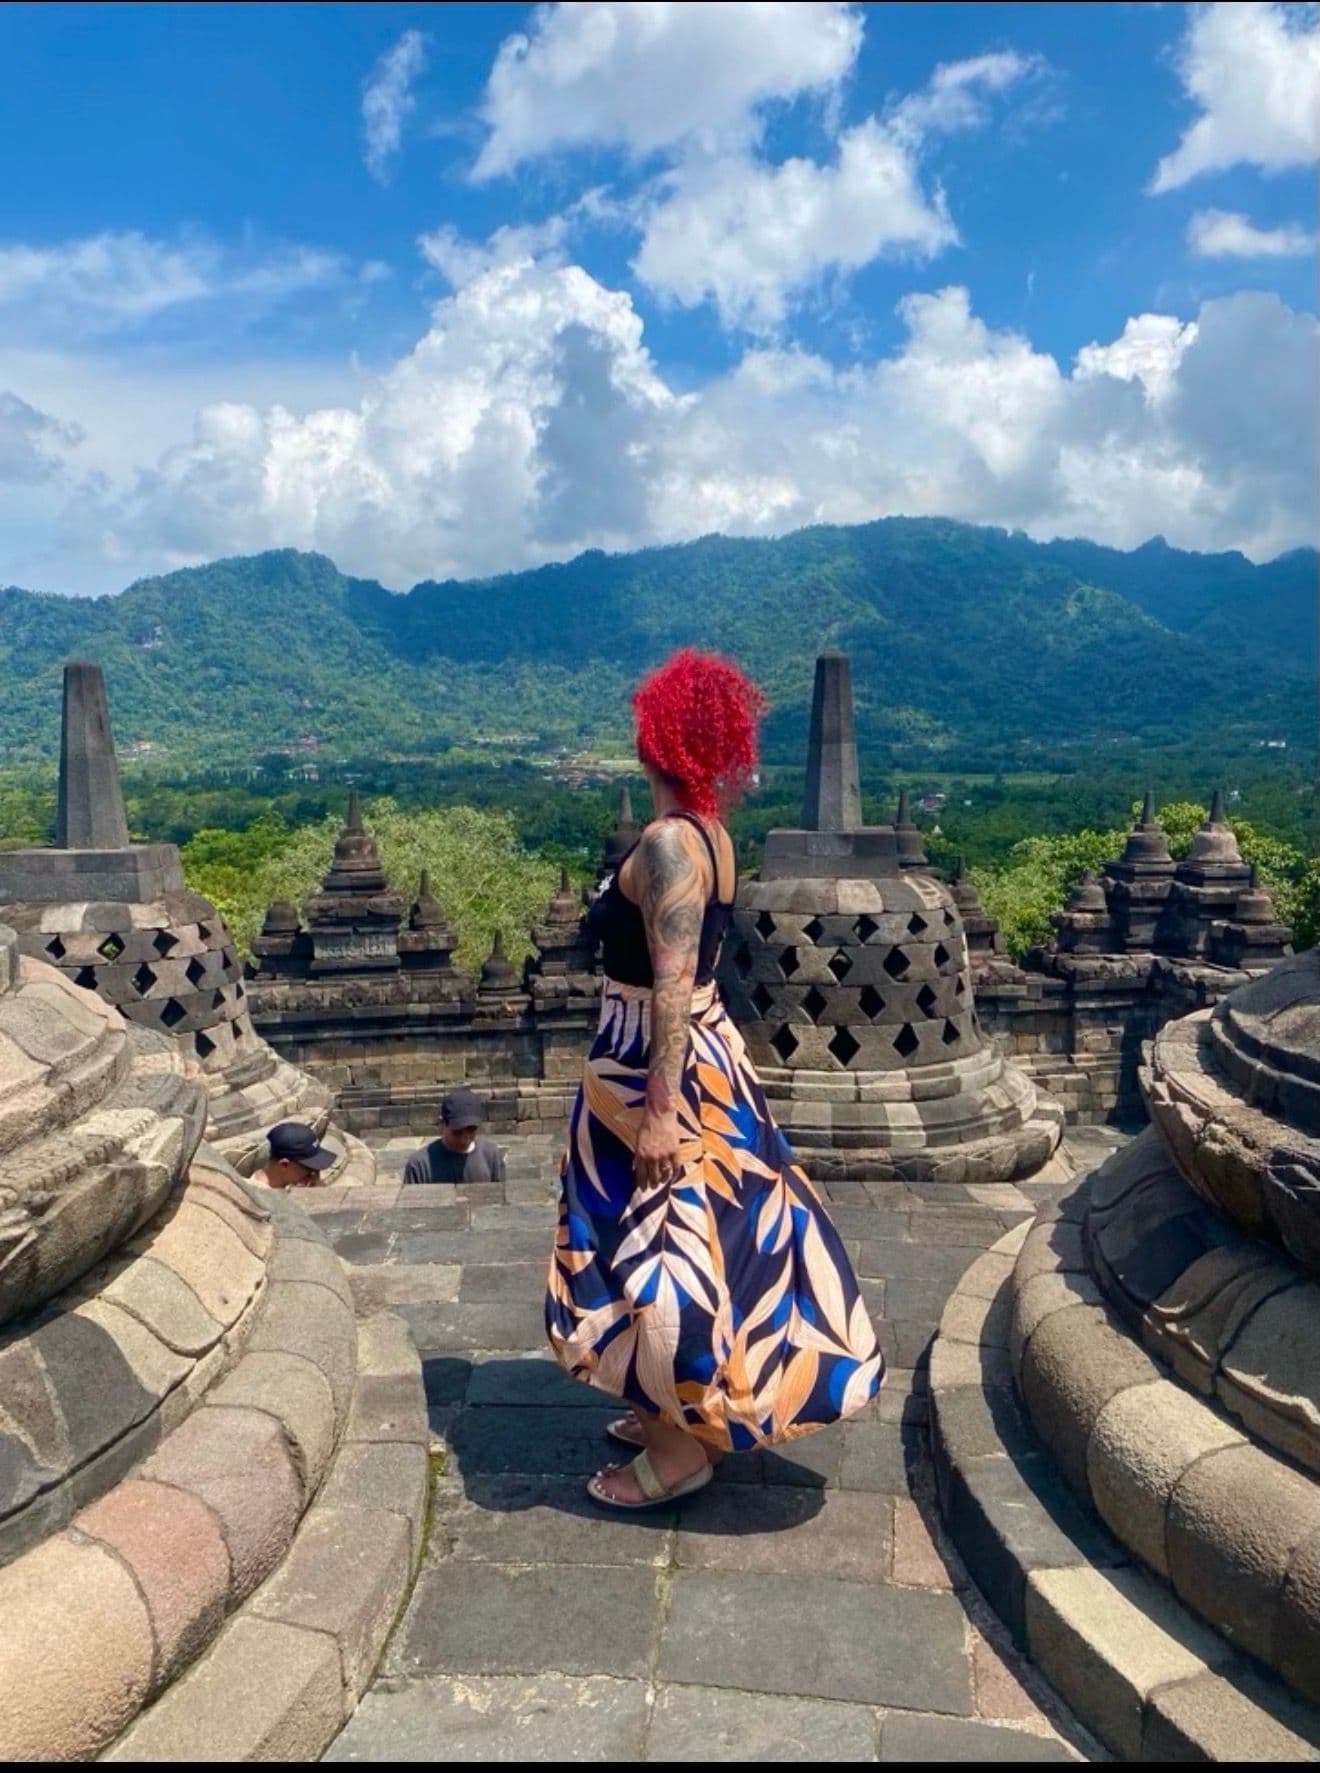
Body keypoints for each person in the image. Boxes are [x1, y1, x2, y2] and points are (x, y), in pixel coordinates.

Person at [545, 648, 884, 1510]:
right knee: (714, 1240)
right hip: (706, 1050)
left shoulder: (666, 844)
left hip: (650, 1067)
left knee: (650, 1246)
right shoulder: (710, 835)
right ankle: (663, 1403)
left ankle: (677, 1448)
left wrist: (659, 1109)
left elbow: (671, 974)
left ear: (653, 735)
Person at [403, 1087, 507, 1186]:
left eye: (471, 1129)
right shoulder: (419, 1165)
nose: (465, 1138)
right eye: (457, 1132)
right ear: (441, 1123)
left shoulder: (492, 1156)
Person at [254, 1121, 335, 1189]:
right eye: (309, 1169)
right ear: (284, 1165)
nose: (315, 1176)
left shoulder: (283, 1186)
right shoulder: (261, 1200)